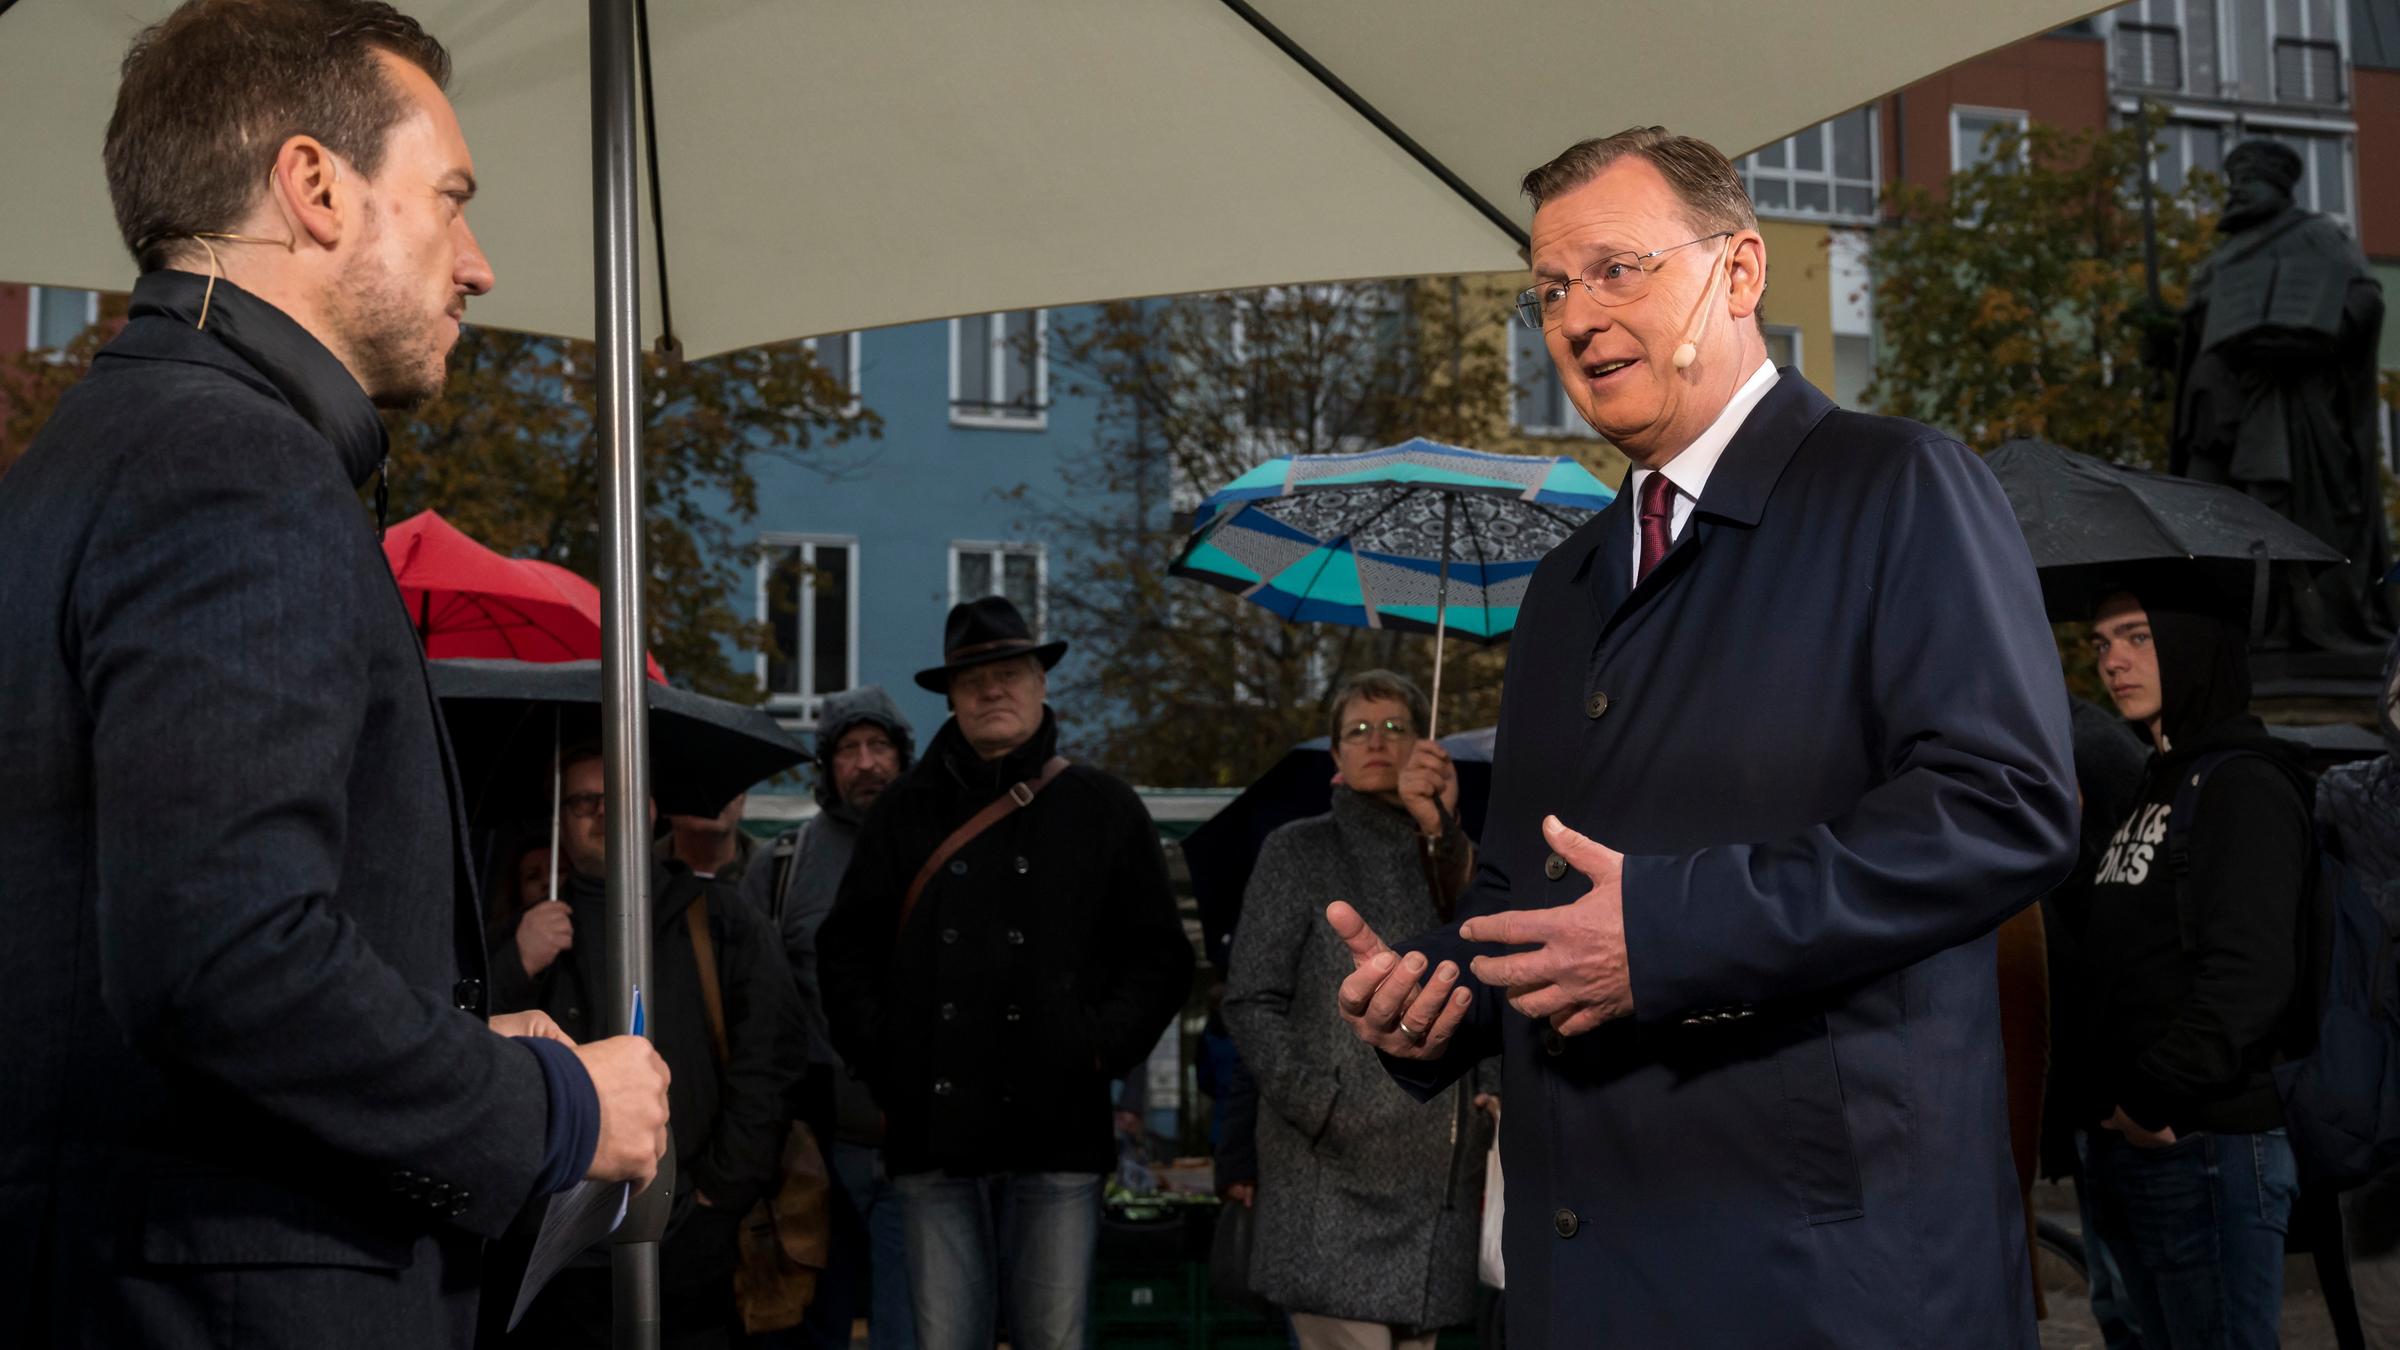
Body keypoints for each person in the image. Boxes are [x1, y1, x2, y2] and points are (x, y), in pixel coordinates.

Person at [1325, 127, 2077, 1349]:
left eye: (1618, 268)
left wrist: (1673, 933)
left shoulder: (1898, 486)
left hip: (1825, 1272)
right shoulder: (1566, 584)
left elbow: (2004, 807)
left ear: (1739, 273)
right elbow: (1526, 889)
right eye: (1552, 289)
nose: (1576, 317)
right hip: (1584, 1266)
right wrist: (1439, 992)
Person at [0, 4, 672, 1345]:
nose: (476, 263)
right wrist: (553, 1111)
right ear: (314, 187)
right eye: (450, 198)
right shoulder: (230, 461)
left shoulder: (81, 460)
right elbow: (225, 950)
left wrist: (459, 1048)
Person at [817, 597, 1194, 1350]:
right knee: (944, 1339)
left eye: (1011, 672)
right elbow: (845, 951)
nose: (994, 690)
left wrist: (1094, 1048)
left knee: (1053, 1339)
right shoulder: (901, 812)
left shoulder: (1103, 807)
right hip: (932, 1132)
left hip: (1058, 1126)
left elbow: (1160, 956)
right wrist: (893, 1057)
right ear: (951, 697)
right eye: (974, 677)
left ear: (1042, 685)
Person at [1224, 670, 1492, 1349]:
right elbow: (1250, 999)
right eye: (1358, 730)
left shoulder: (1458, 854)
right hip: (1329, 1179)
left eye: (1396, 727)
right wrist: (1321, 1105)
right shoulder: (1297, 850)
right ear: (1337, 758)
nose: (1377, 741)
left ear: (1427, 745)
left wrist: (1444, 830)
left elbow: (1493, 964)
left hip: (1438, 1180)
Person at [2078, 580, 2313, 1349]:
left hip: (2205, 1148)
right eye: (2101, 643)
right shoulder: (2162, 780)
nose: (2114, 661)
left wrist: (2149, 1101)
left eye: (2138, 637)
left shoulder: (2243, 783)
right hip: (2138, 1148)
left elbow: (2250, 978)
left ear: (2194, 646)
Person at [500, 747, 795, 1350]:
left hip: (686, 1230)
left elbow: (770, 1057)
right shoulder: (525, 928)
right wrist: (514, 960)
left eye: (620, 797)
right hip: (548, 1243)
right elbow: (463, 1039)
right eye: (585, 801)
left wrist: (718, 1195)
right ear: (562, 816)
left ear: (652, 809)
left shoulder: (719, 918)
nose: (604, 813)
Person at [742, 685, 920, 1350]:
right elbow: (751, 1009)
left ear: (903, 759)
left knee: (913, 1330)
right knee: (811, 1329)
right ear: (827, 767)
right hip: (815, 1152)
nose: (866, 762)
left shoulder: (935, 851)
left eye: (879, 747)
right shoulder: (783, 865)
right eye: (850, 749)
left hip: (920, 1151)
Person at [2170, 139, 2391, 651]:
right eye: (2235, 183)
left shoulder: (2318, 236)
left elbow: (2364, 302)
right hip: (2212, 418)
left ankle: (2294, 630)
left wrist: (2308, 335)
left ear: (2278, 185)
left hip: (2282, 408)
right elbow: (2198, 337)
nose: (2238, 192)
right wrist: (2165, 337)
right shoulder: (2218, 260)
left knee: (2283, 519)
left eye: (2249, 181)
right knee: (2210, 527)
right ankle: (2229, 635)